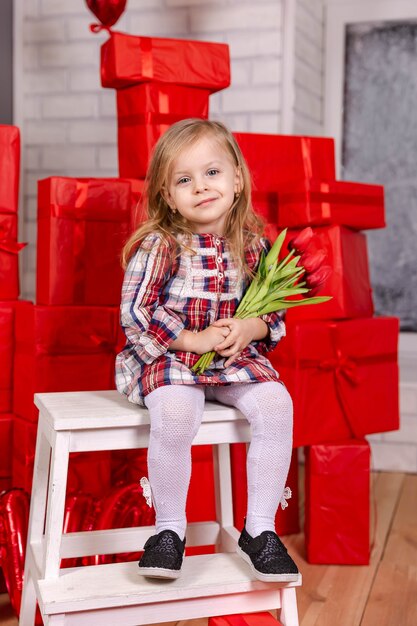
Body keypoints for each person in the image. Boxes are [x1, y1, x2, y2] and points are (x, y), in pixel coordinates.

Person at [116, 118, 299, 583]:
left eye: (212, 173)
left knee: (277, 406)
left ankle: (259, 528)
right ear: (167, 194)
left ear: (237, 179)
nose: (200, 187)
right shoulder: (162, 245)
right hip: (173, 359)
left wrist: (249, 326)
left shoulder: (254, 247)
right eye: (184, 179)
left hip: (232, 361)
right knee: (177, 415)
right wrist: (190, 339)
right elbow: (136, 312)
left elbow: (274, 315)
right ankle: (169, 531)